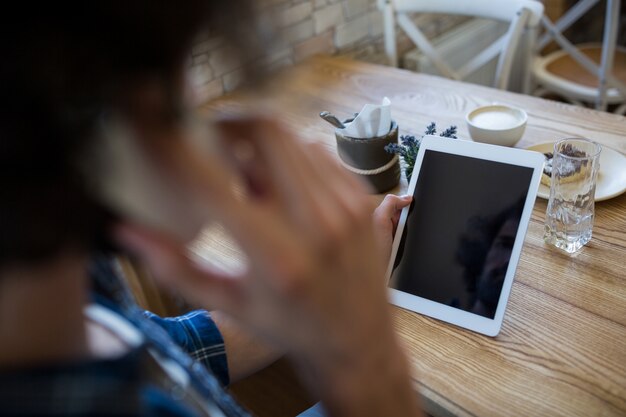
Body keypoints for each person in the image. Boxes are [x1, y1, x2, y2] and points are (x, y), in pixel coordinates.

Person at [0, 2, 422, 417]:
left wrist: (312, 301)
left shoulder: (71, 284)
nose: (195, 96)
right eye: (172, 74)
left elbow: (170, 349)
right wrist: (370, 364)